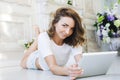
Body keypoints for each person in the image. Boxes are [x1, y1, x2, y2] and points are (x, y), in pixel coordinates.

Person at [20, 7, 85, 80]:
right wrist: (69, 71)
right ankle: (38, 38)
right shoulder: (45, 38)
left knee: (43, 39)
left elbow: (81, 63)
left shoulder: (74, 40)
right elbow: (53, 67)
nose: (67, 32)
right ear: (55, 23)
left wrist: (78, 70)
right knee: (22, 62)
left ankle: (39, 39)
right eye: (64, 25)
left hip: (46, 50)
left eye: (72, 28)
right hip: (35, 60)